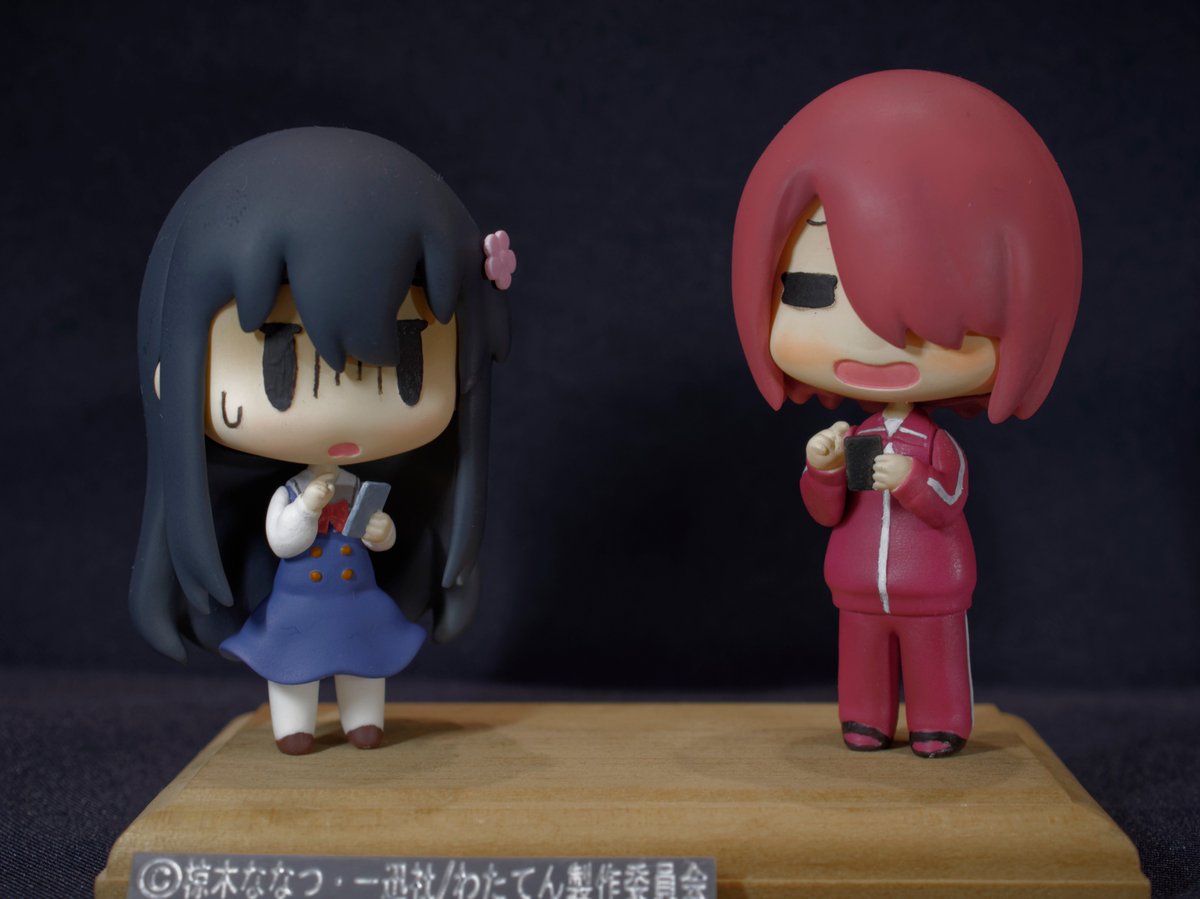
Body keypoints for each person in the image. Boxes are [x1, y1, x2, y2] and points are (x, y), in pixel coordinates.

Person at [731, 70, 1081, 757]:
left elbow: (948, 502)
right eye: (811, 289)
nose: (871, 343)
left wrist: (911, 482)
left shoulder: (933, 445)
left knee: (933, 653)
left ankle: (939, 721)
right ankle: (864, 717)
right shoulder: (858, 434)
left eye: (930, 304)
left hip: (931, 584)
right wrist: (823, 469)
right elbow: (828, 511)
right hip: (856, 580)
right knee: (860, 652)